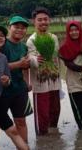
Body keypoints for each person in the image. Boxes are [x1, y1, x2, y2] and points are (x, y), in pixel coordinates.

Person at [0, 16, 33, 144]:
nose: (20, 30)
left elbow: (25, 66)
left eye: (23, 27)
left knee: (21, 121)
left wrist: (27, 81)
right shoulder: (1, 44)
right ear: (10, 28)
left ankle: (24, 146)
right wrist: (18, 64)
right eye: (16, 27)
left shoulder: (23, 47)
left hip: (19, 89)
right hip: (0, 91)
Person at [26, 7, 61, 135]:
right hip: (40, 83)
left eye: (45, 19)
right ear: (34, 22)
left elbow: (56, 56)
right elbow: (30, 58)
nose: (43, 22)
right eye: (39, 20)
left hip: (54, 80)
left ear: (49, 21)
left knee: (55, 111)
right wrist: (35, 59)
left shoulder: (54, 38)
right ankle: (42, 140)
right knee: (43, 114)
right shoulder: (31, 40)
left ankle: (54, 139)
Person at [59, 20, 82, 130]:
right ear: (68, 32)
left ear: (80, 31)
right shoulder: (65, 47)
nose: (74, 32)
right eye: (71, 30)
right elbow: (67, 63)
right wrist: (80, 68)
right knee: (79, 112)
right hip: (74, 83)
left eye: (76, 30)